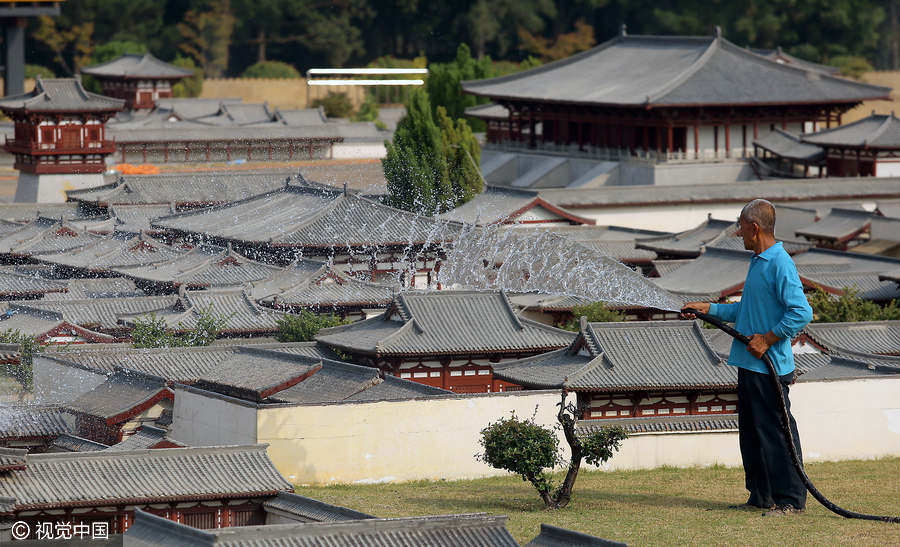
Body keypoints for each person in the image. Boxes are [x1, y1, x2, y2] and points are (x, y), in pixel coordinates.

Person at [682, 199, 813, 517]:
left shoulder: (779, 263)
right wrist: (708, 309)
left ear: (755, 228)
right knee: (753, 434)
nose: (738, 232)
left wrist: (768, 339)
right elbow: (746, 311)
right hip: (749, 363)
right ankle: (761, 495)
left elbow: (801, 312)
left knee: (776, 433)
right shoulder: (758, 262)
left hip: (769, 367)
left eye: (740, 226)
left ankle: (791, 501)